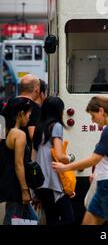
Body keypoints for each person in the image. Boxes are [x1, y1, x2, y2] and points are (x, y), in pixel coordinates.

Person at [52, 96, 108, 226]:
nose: (93, 120)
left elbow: (94, 159)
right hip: (105, 183)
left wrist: (66, 167)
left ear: (101, 111)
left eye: (93, 115)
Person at [33, 96, 75, 225]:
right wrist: (71, 158)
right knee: (69, 219)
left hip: (40, 181)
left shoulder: (39, 128)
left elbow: (33, 156)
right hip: (54, 180)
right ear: (58, 110)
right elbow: (59, 155)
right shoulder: (56, 126)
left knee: (51, 218)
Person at [1, 97, 38, 225]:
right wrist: (24, 190)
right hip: (16, 186)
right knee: (14, 219)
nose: (29, 118)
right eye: (29, 114)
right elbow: (19, 164)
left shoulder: (5, 131)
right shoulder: (19, 134)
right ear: (21, 113)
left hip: (8, 182)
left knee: (30, 220)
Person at [3, 74, 44, 140]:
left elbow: (2, 124)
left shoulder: (10, 102)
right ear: (36, 89)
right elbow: (32, 134)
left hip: (7, 146)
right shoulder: (34, 107)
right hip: (23, 148)